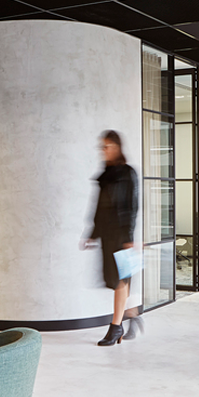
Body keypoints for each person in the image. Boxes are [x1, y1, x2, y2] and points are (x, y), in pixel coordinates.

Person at [82, 130, 141, 346]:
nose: (103, 151)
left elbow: (133, 206)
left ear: (116, 147)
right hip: (107, 234)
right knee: (116, 280)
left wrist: (129, 237)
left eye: (106, 146)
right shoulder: (106, 174)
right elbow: (99, 206)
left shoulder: (128, 173)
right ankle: (132, 315)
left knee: (120, 280)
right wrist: (92, 233)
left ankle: (116, 327)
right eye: (102, 147)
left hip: (122, 234)